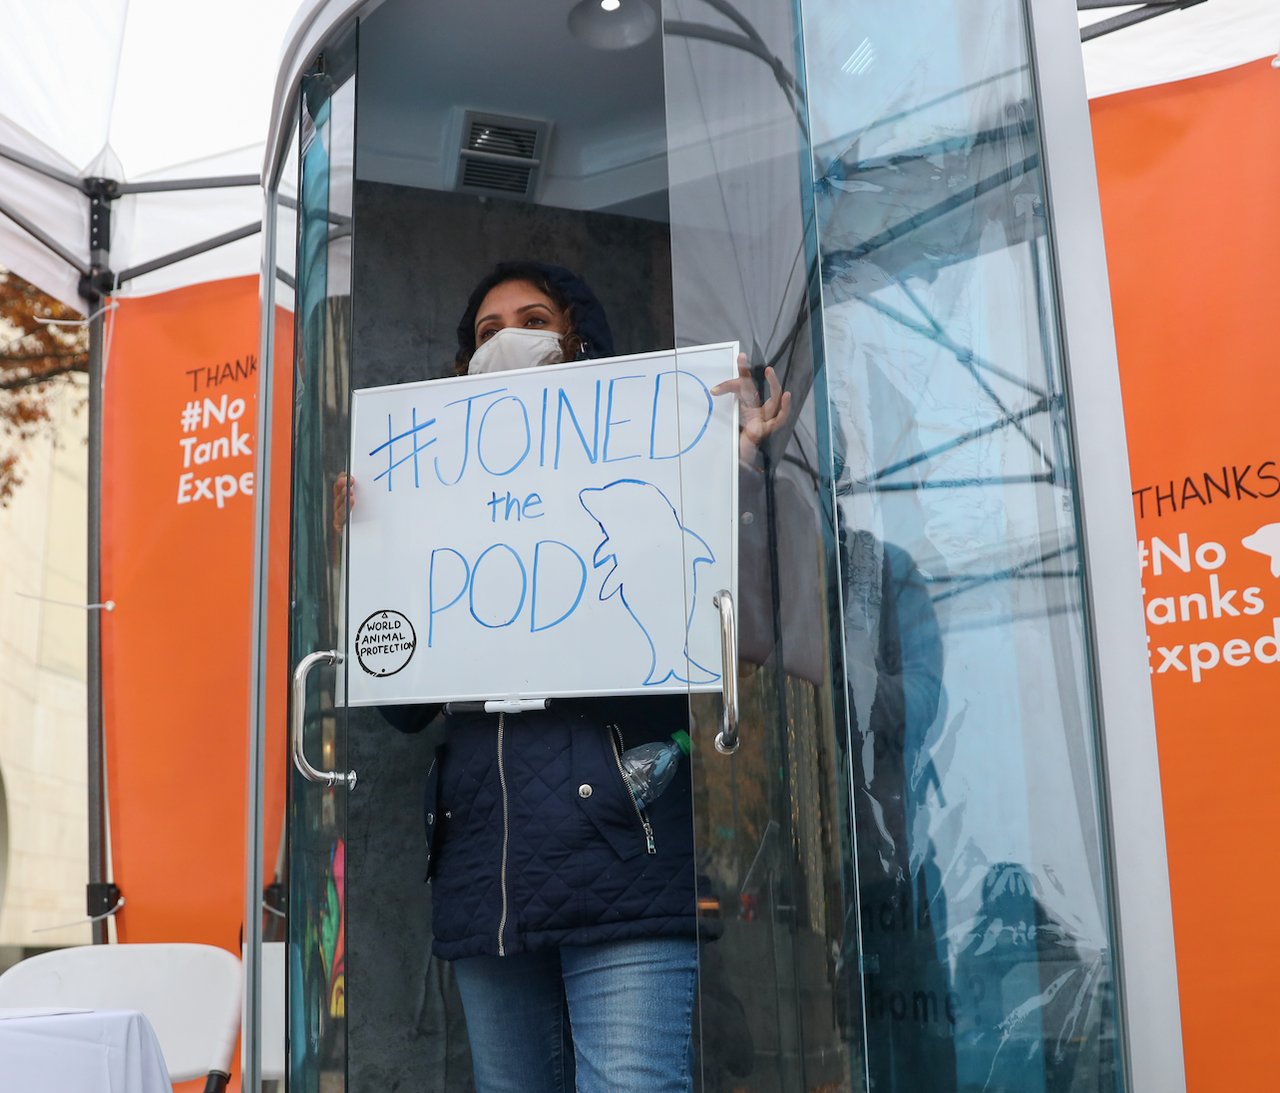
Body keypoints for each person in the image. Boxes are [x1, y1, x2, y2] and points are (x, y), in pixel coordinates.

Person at [335, 261, 789, 1093]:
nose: (507, 337)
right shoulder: (439, 488)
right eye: (486, 329)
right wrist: (375, 555)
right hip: (487, 868)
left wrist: (738, 471)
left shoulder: (653, 472)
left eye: (532, 317)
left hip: (621, 850)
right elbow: (403, 711)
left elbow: (730, 618)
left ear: (578, 335)